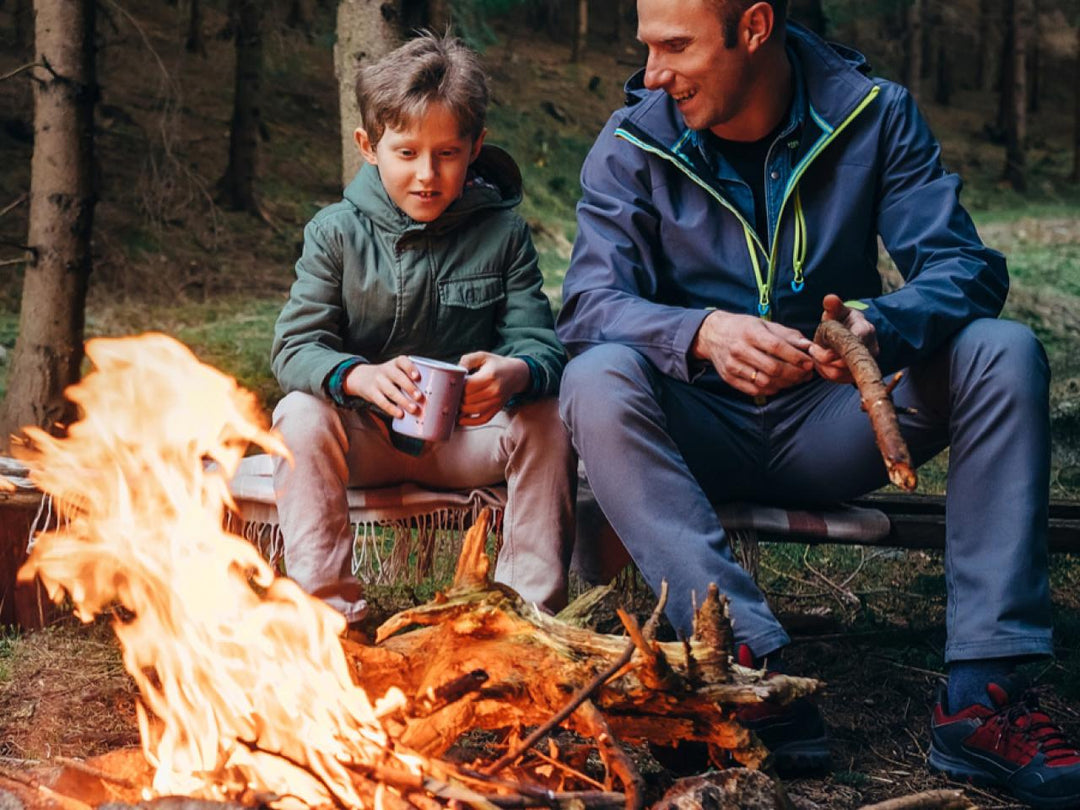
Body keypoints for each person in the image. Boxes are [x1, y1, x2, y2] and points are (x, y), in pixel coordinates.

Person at [556, 0, 1080, 805]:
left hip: (838, 422)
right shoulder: (634, 140)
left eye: (675, 47)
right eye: (647, 47)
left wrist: (879, 327)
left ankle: (984, 698)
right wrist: (701, 333)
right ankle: (746, 668)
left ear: (754, 28)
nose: (652, 74)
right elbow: (588, 304)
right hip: (695, 428)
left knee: (1002, 352)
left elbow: (965, 267)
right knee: (595, 377)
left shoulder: (873, 114)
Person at [270, 33, 575, 629]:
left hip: (468, 439)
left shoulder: (504, 235)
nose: (427, 175)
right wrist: (356, 378)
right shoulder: (334, 233)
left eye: (448, 154)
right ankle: (329, 619)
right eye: (406, 153)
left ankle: (525, 618)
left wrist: (515, 372)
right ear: (368, 146)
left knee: (549, 416)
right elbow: (294, 347)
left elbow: (540, 345)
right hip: (366, 439)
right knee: (298, 414)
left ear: (476, 147)